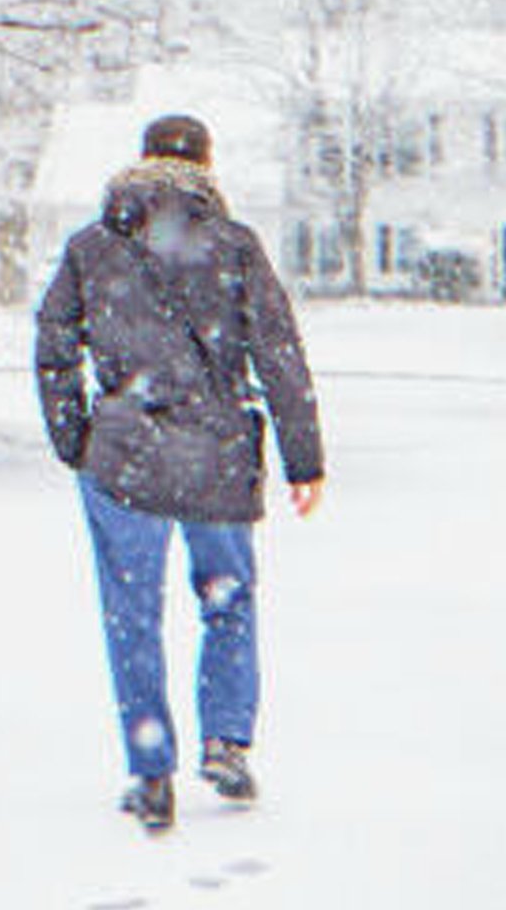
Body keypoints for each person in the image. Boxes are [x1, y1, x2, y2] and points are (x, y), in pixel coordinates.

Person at [34, 113, 326, 833]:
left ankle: (150, 766)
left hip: (124, 449)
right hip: (216, 449)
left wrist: (76, 436)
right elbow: (279, 352)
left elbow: (51, 344)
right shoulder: (234, 246)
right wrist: (304, 458)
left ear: (141, 162)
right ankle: (226, 742)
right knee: (226, 598)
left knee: (130, 612)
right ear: (207, 166)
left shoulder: (92, 248)